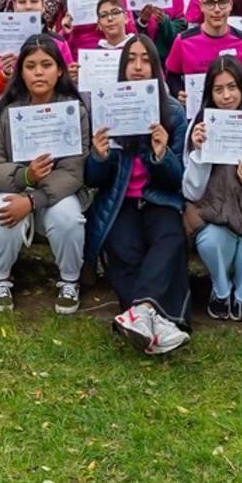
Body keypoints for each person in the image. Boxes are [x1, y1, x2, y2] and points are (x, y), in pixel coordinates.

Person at [86, 36, 192, 355]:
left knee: (170, 239)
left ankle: (139, 312)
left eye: (145, 59)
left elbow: (178, 180)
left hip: (159, 198)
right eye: (131, 59)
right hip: (120, 201)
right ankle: (162, 324)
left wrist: (161, 154)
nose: (137, 66)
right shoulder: (106, 105)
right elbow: (93, 179)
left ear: (155, 67)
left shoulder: (173, 112)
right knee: (123, 247)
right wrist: (98, 156)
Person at [0, 34, 91, 315]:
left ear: (60, 70)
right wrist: (26, 177)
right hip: (13, 187)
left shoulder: (74, 111)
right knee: (4, 211)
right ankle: (0, 279)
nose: (38, 72)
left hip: (57, 192)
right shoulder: (4, 110)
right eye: (30, 66)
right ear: (21, 72)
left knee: (68, 218)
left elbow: (74, 170)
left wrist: (32, 200)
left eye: (46, 65)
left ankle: (69, 280)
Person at [182, 55, 242, 322]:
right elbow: (191, 193)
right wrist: (199, 153)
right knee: (212, 241)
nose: (226, 96)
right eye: (218, 89)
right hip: (214, 210)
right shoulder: (199, 125)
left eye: (232, 87)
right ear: (209, 93)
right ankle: (221, 289)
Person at [165, 0, 242, 105]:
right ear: (201, 5)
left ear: (231, 4)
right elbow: (172, 75)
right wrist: (178, 92)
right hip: (196, 111)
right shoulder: (183, 41)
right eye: (210, 3)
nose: (217, 9)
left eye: (222, 2)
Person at [0, 0, 76, 102]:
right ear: (14, 6)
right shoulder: (0, 44)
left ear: (43, 6)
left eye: (34, 1)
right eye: (22, 1)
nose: (28, 6)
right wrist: (4, 75)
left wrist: (68, 76)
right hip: (12, 105)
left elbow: (70, 87)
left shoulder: (59, 43)